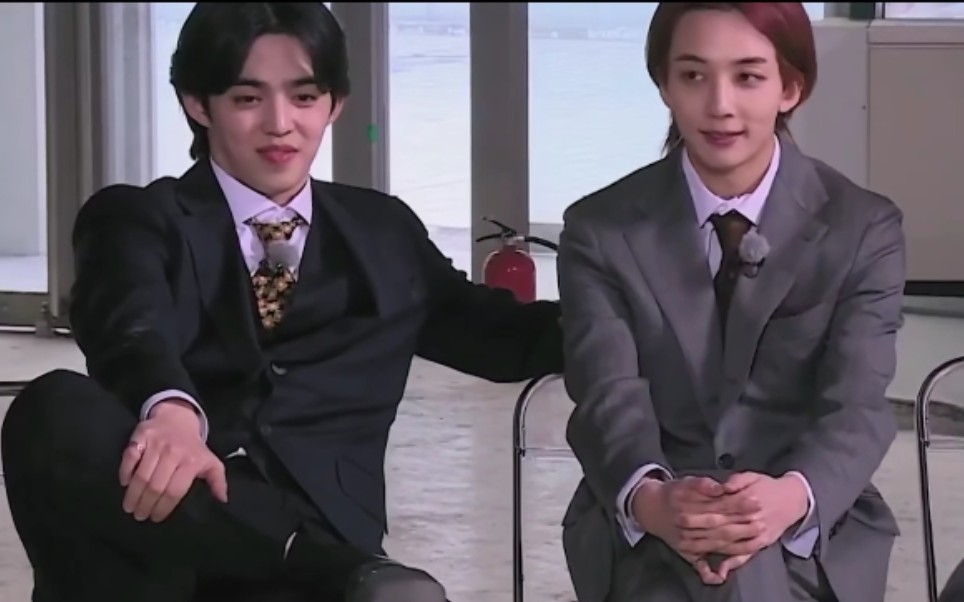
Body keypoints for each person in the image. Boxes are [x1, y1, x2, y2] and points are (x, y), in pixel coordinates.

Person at [1, 4, 563, 602]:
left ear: (334, 104)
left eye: (304, 97)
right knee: (51, 408)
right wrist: (171, 411)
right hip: (164, 555)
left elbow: (502, 338)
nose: (279, 124)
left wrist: (627, 296)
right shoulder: (137, 219)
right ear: (198, 103)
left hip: (318, 543)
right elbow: (129, 328)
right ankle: (320, 563)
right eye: (248, 98)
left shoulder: (384, 232)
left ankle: (317, 561)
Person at [556, 3, 904, 602]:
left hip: (807, 531)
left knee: (738, 574)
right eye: (693, 75)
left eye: (748, 77)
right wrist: (655, 500)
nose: (720, 104)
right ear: (664, 84)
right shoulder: (600, 230)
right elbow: (607, 396)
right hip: (651, 528)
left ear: (790, 88)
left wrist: (786, 499)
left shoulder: (863, 228)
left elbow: (857, 406)